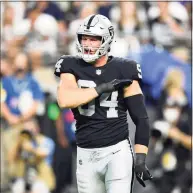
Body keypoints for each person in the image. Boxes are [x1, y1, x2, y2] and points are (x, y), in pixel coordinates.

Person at [54, 14, 153, 193]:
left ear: (106, 40)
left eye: (94, 39)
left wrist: (140, 159)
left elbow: (142, 118)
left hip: (116, 152)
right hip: (85, 153)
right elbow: (64, 100)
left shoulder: (124, 68)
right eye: (85, 38)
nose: (87, 44)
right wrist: (101, 88)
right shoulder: (70, 65)